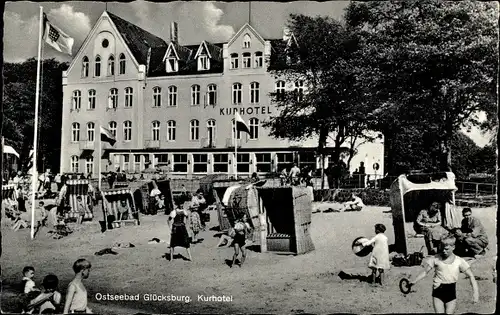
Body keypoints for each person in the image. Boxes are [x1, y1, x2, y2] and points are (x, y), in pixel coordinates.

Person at [410, 236, 479, 314]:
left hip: (451, 292)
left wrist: (475, 293)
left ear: (453, 247)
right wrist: (413, 282)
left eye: (446, 249)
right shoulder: (436, 258)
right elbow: (425, 272)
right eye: (442, 248)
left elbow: (471, 276)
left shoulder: (459, 261)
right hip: (438, 291)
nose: (443, 251)